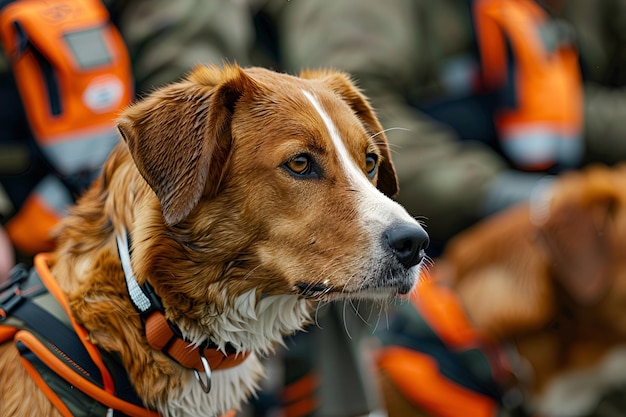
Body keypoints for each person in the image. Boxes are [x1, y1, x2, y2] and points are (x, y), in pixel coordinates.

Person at [279, 0, 626, 256]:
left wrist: (569, 110)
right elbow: (345, 116)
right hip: (404, 236)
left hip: (565, 216)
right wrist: (506, 195)